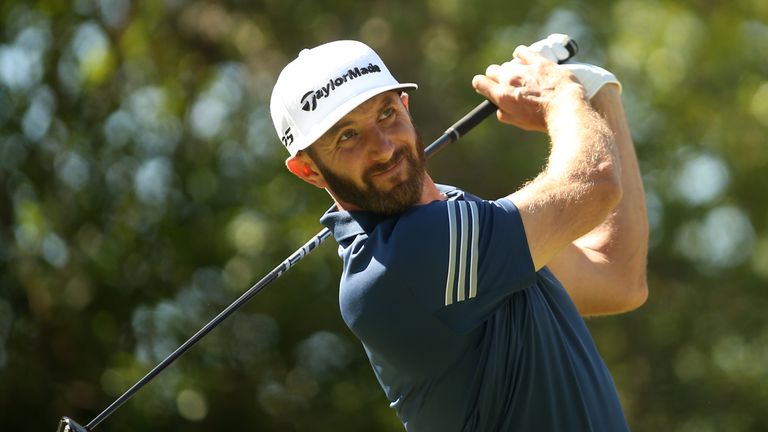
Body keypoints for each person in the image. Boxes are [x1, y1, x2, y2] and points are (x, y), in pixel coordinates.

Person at [269, 36, 648, 431]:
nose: (382, 148)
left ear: (406, 105)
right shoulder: (404, 258)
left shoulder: (456, 214)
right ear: (308, 170)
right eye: (347, 136)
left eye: (386, 114)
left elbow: (617, 277)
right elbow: (594, 184)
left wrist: (599, 94)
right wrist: (561, 95)